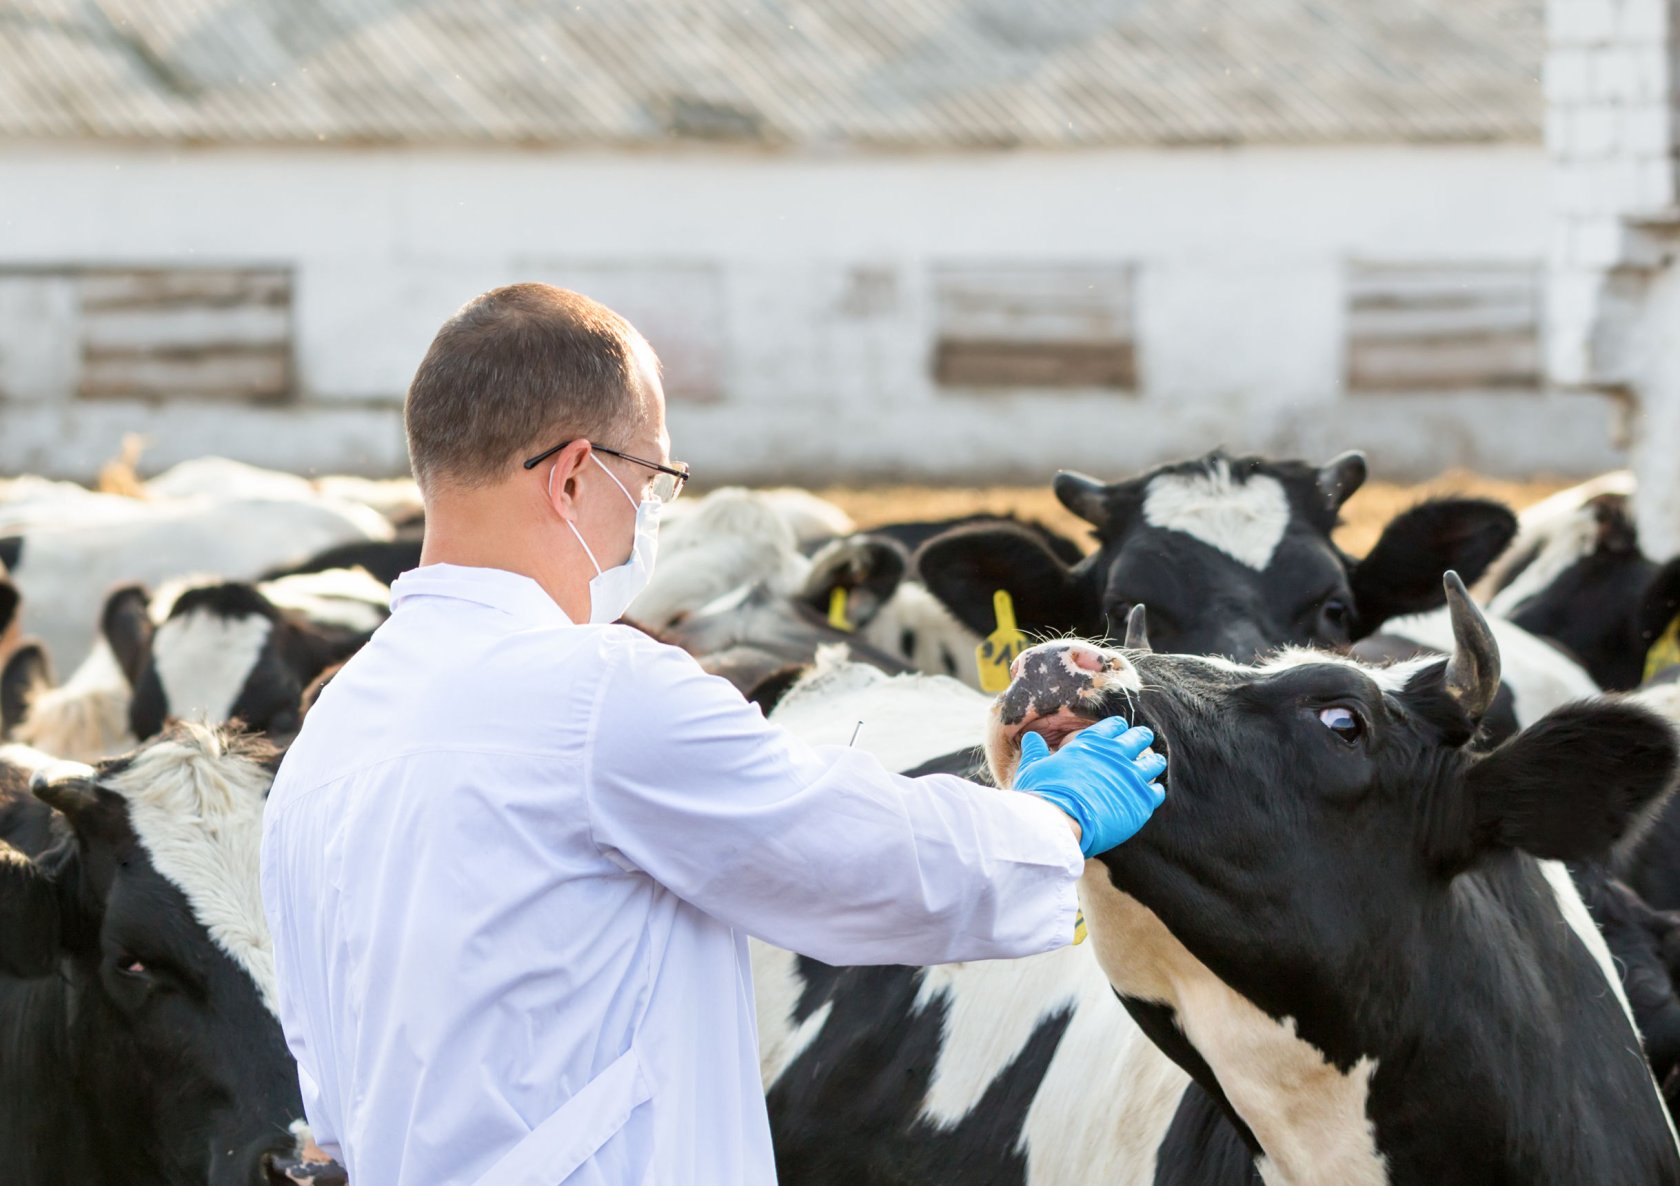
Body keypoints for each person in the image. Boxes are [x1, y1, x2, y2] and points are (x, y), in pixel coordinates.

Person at [259, 283, 1167, 1186]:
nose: (653, 514)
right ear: (575, 475)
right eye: (653, 481)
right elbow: (859, 857)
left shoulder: (330, 738)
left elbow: (331, 1093)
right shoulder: (593, 695)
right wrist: (1054, 818)